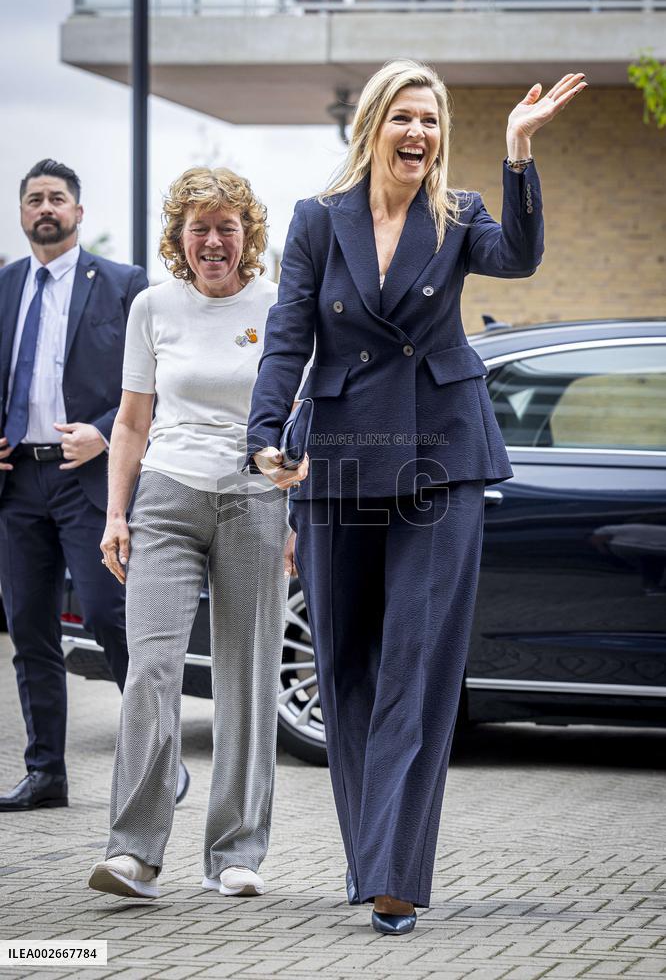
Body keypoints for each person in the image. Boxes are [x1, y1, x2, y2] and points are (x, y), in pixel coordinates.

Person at [245, 61, 587, 934]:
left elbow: (520, 258)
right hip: (341, 453)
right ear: (373, 127)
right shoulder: (319, 222)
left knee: (416, 665)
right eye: (404, 117)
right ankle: (374, 856)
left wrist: (519, 152)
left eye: (430, 121)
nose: (419, 135)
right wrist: (262, 434)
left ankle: (395, 877)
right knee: (346, 664)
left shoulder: (460, 214)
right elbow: (289, 334)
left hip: (442, 452)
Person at [88, 167, 290, 901]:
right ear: (179, 236)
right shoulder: (152, 307)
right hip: (167, 497)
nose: (213, 241)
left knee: (247, 678)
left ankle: (235, 854)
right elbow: (132, 420)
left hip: (255, 499)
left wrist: (294, 515)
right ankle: (133, 852)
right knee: (151, 670)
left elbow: (299, 417)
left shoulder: (277, 306)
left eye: (226, 227)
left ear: (248, 235)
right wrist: (117, 513)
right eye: (198, 227)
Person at [0, 159, 190, 812]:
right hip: (18, 483)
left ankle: (161, 763)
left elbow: (157, 379)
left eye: (57, 198)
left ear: (78, 213)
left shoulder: (122, 285)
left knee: (114, 619)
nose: (44, 207)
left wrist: (105, 433)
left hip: (90, 479)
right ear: (22, 213)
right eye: (33, 199)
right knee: (30, 630)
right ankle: (46, 773)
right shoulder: (4, 287)